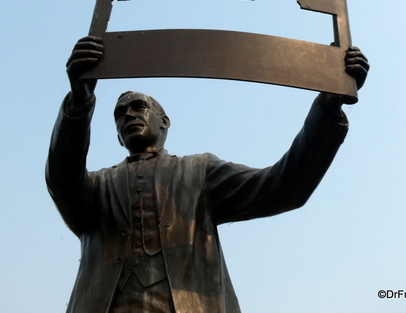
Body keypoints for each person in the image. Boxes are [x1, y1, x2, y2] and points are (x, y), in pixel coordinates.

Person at [46, 36, 369, 313]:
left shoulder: (198, 172)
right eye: (119, 114)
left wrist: (327, 106)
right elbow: (61, 178)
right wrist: (80, 100)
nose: (128, 114)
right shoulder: (96, 190)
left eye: (138, 106)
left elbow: (282, 187)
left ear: (164, 121)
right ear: (117, 137)